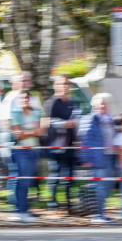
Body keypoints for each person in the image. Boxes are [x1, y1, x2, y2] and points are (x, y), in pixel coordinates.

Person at [43, 75, 79, 211]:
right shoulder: (51, 102)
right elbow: (48, 122)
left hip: (70, 143)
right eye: (61, 84)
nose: (64, 86)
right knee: (55, 174)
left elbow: (77, 119)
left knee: (70, 175)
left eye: (66, 84)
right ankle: (52, 203)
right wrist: (65, 124)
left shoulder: (72, 102)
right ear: (55, 86)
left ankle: (69, 202)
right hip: (56, 144)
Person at [79, 93, 116, 224]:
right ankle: (99, 214)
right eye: (100, 103)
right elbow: (84, 140)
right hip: (97, 157)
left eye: (105, 103)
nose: (103, 106)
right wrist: (86, 158)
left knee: (107, 185)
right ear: (94, 105)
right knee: (100, 186)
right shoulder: (89, 119)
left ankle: (102, 212)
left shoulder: (110, 119)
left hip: (110, 156)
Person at [10, 91, 45, 223]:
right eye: (22, 98)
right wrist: (33, 132)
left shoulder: (36, 112)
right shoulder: (15, 113)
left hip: (34, 150)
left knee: (29, 182)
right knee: (23, 181)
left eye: (26, 97)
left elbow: (40, 131)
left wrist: (27, 132)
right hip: (21, 150)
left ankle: (23, 209)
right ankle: (21, 211)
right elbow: (19, 135)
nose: (24, 100)